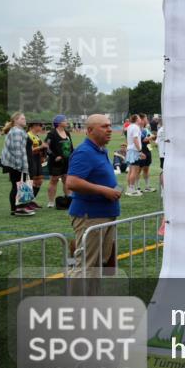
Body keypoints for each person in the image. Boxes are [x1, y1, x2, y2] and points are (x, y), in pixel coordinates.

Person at [66, 114, 121, 274]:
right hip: (90, 217)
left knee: (97, 266)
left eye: (110, 126)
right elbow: (72, 182)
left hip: (103, 215)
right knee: (86, 266)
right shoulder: (84, 152)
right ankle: (76, 299)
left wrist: (113, 189)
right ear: (90, 130)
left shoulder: (100, 150)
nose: (109, 130)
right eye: (104, 126)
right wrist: (104, 190)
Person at [0, 112, 34, 216]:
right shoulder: (16, 132)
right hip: (16, 164)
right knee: (17, 186)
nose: (25, 120)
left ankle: (17, 208)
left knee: (18, 185)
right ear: (15, 120)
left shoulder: (18, 130)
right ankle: (18, 209)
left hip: (14, 163)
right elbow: (18, 151)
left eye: (24, 118)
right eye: (22, 119)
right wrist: (22, 167)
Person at [46, 114, 74, 208]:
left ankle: (68, 198)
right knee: (54, 180)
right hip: (56, 162)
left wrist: (73, 155)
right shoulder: (52, 134)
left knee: (66, 179)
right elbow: (47, 147)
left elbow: (71, 146)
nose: (66, 122)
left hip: (67, 161)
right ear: (59, 123)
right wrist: (54, 157)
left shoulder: (67, 133)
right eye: (64, 120)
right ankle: (51, 202)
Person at [26, 121, 48, 208]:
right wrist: (41, 147)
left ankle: (31, 200)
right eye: (40, 125)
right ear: (34, 126)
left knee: (39, 181)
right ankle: (27, 202)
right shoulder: (28, 135)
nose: (42, 127)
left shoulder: (37, 136)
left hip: (38, 160)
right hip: (31, 160)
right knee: (31, 182)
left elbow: (41, 147)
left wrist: (43, 154)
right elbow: (29, 150)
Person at [125, 114, 143, 196]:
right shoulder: (136, 127)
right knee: (134, 171)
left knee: (130, 171)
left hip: (130, 149)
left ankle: (129, 189)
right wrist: (140, 151)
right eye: (139, 118)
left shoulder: (129, 126)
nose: (140, 119)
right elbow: (135, 139)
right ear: (136, 119)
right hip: (134, 150)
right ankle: (132, 190)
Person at [138, 119, 156, 192]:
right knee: (138, 170)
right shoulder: (138, 130)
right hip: (142, 151)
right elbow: (145, 140)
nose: (146, 120)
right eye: (145, 119)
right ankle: (138, 187)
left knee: (146, 169)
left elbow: (153, 137)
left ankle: (147, 187)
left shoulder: (146, 129)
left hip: (148, 150)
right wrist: (152, 136)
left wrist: (152, 136)